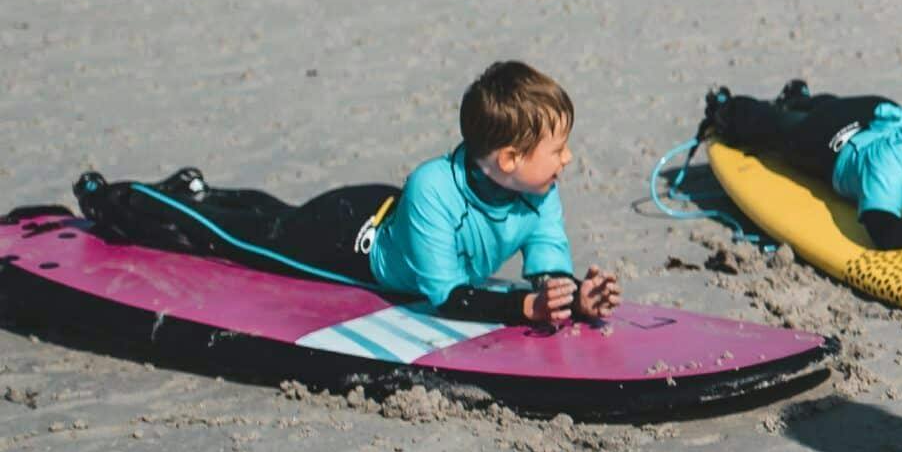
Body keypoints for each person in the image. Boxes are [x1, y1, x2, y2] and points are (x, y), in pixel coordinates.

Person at [75, 60, 619, 326]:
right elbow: (445, 297)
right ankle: (123, 199)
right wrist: (526, 308)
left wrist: (575, 295)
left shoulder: (539, 187)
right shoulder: (436, 188)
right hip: (345, 240)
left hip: (386, 212)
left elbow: (548, 261)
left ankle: (199, 188)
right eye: (557, 148)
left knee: (274, 218)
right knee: (242, 241)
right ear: (509, 160)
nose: (567, 159)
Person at [699, 85, 902, 249]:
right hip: (836, 141)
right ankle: (725, 108)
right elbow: (885, 233)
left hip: (886, 118)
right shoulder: (889, 173)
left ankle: (801, 97)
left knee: (817, 108)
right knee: (782, 129)